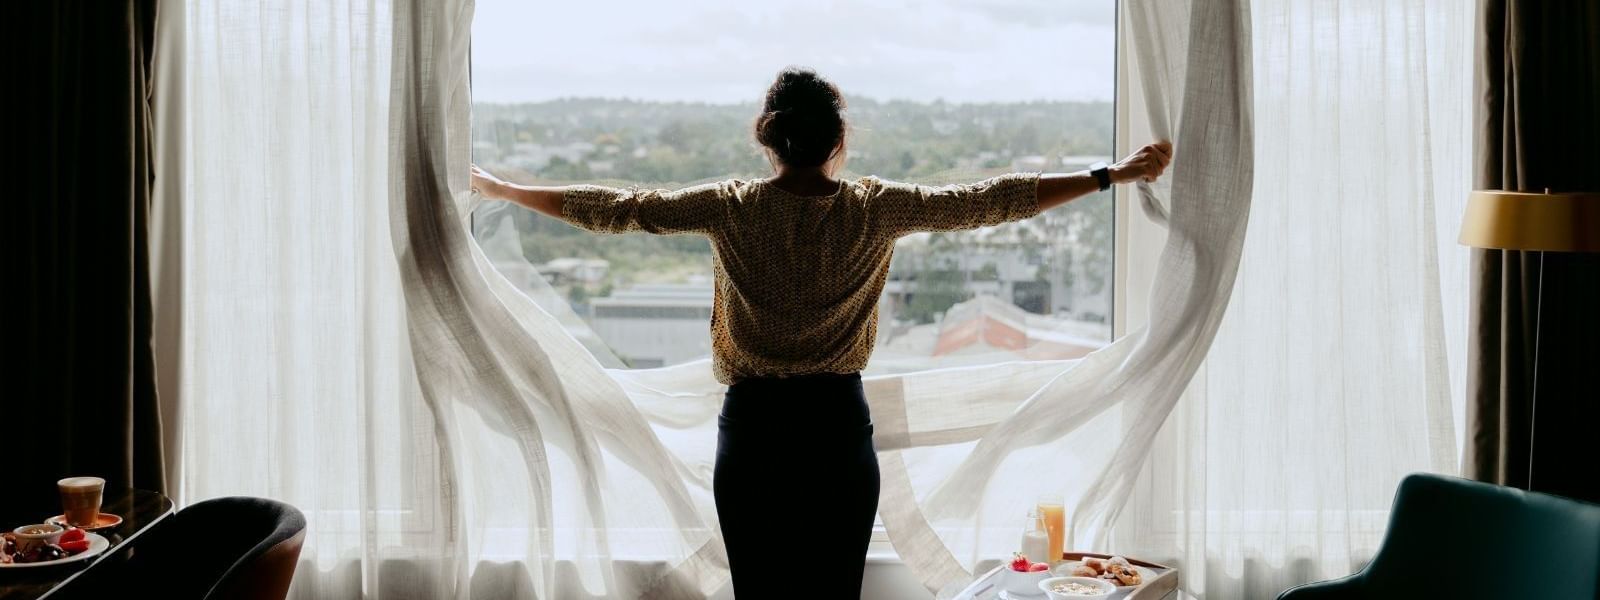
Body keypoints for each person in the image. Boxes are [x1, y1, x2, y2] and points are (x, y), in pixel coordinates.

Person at [469, 66, 1171, 598]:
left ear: (767, 139)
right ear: (838, 141)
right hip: (836, 428)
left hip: (754, 428)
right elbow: (989, 202)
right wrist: (1107, 175)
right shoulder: (875, 208)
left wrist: (503, 189)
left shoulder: (732, 207)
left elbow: (613, 208)